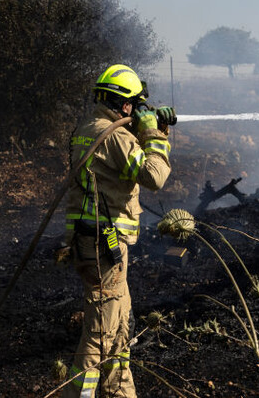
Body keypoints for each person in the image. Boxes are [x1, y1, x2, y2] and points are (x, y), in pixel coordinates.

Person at [62, 64, 174, 398]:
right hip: (103, 247)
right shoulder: (114, 135)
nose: (138, 109)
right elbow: (154, 176)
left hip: (93, 243)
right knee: (99, 336)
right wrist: (154, 134)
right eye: (136, 103)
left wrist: (158, 127)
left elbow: (120, 160)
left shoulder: (91, 127)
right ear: (123, 104)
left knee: (120, 330)